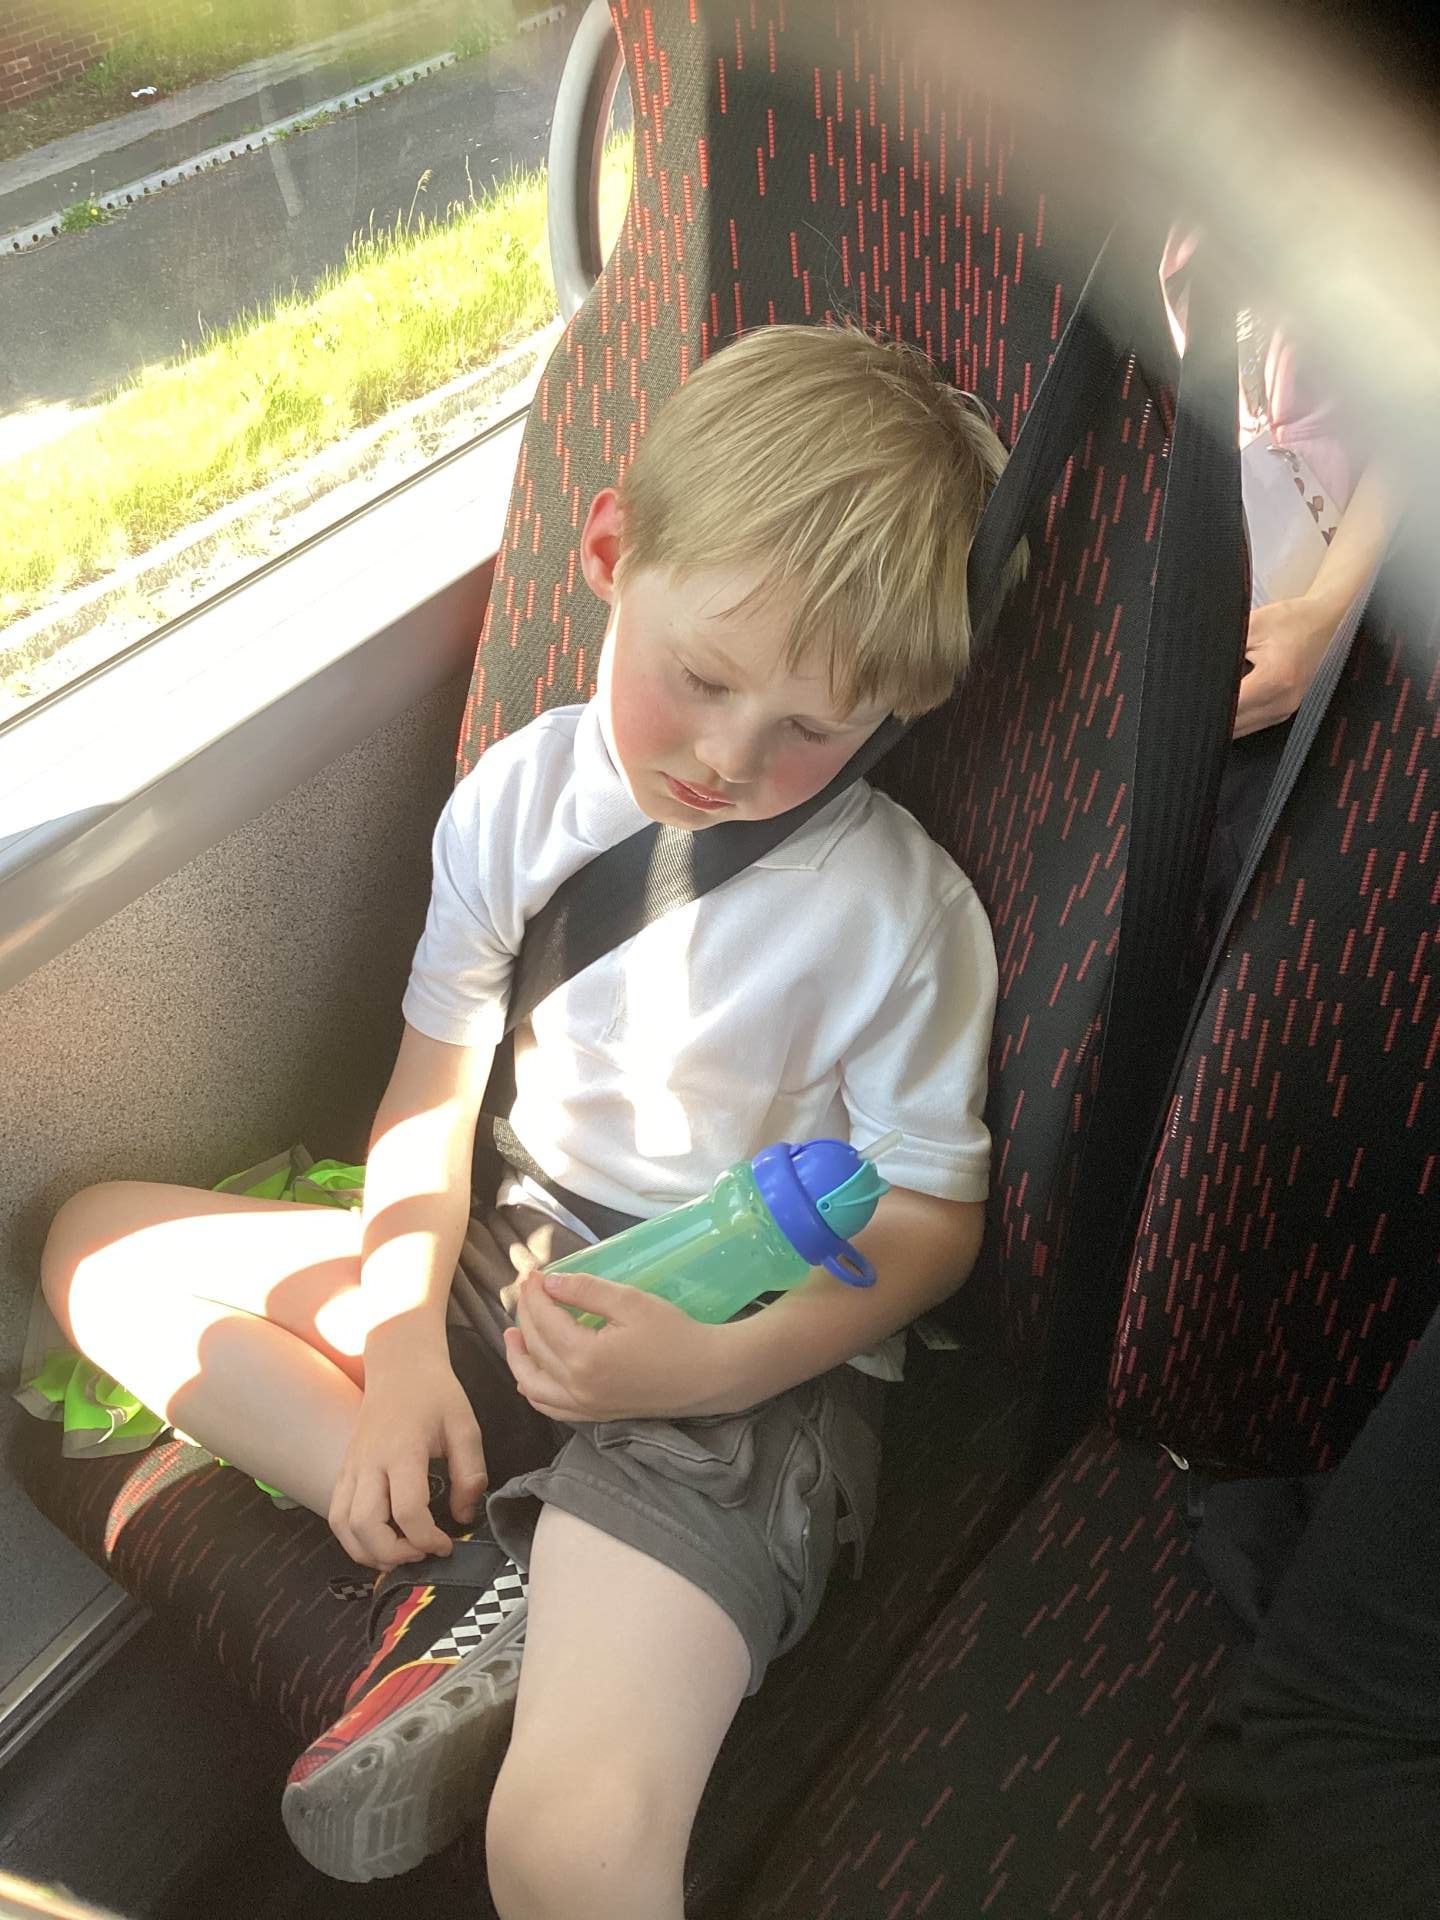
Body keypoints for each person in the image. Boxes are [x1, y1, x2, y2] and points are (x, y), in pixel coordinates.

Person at [39, 324, 1017, 1917]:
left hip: (741, 1358)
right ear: (612, 553)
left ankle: (557, 1582)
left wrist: (714, 1365)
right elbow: (434, 1086)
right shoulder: (521, 797)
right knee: (96, 1252)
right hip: (516, 1258)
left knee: (559, 1850)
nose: (730, 758)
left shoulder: (899, 915)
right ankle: (468, 1550)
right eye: (702, 679)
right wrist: (400, 1351)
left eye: (811, 731)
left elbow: (928, 1225)